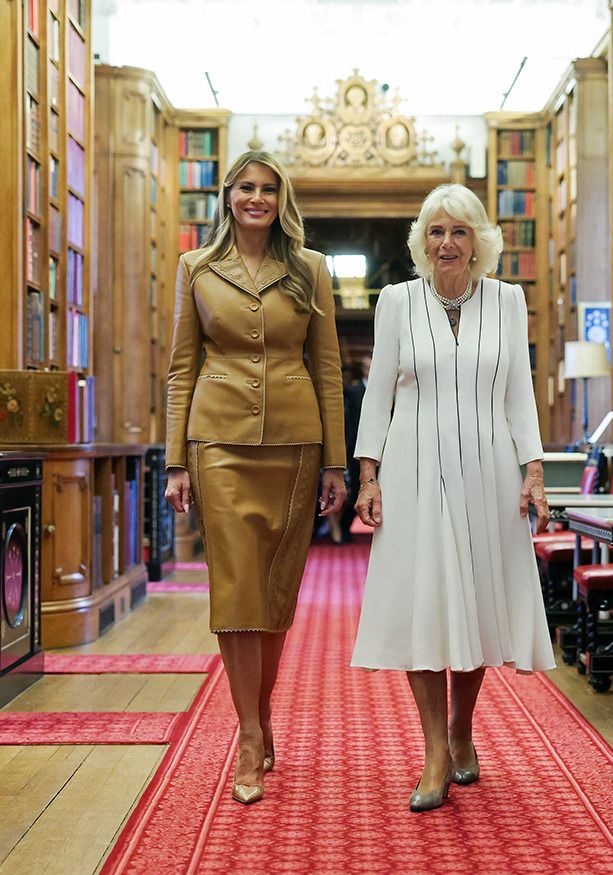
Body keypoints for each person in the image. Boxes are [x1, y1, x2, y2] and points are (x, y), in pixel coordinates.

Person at [352, 183, 555, 813]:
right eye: (436, 232)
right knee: (424, 604)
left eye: (459, 231)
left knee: (475, 602)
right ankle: (434, 751)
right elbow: (379, 392)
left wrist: (533, 469)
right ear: (422, 242)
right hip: (412, 471)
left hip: (490, 472)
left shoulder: (508, 301)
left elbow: (519, 390)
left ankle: (463, 731)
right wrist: (368, 474)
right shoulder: (395, 301)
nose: (447, 243)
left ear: (479, 241)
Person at [164, 150, 346, 805]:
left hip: (295, 443)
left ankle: (260, 714)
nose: (257, 197)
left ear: (281, 198)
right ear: (228, 195)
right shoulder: (195, 268)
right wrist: (175, 460)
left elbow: (327, 369)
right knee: (236, 588)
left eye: (269, 188)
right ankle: (247, 733)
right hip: (216, 443)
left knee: (272, 597)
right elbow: (181, 368)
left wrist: (336, 460)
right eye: (246, 186)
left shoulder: (312, 269)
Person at [338, 352, 372, 542]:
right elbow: (347, 421)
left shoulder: (392, 391)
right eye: (368, 367)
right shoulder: (352, 392)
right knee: (355, 490)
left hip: (384, 448)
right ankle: (344, 529)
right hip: (356, 447)